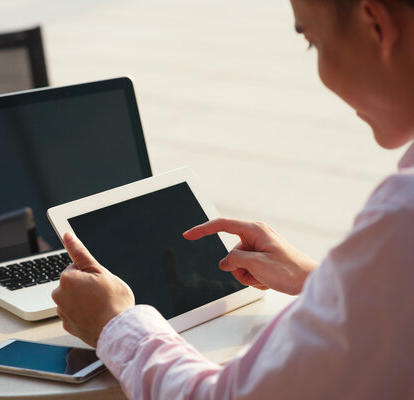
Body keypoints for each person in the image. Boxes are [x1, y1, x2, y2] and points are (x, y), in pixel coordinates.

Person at [51, 0, 414, 398]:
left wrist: (114, 325)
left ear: (375, 23)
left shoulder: (402, 214)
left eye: (312, 41)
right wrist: (323, 283)